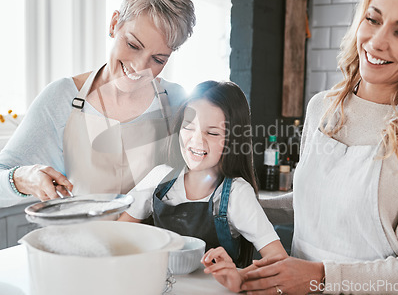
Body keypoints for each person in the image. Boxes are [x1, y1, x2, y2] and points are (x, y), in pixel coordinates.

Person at [203, 0, 398, 294]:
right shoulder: (322, 108)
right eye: (372, 19)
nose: (376, 42)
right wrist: (234, 201)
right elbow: (315, 202)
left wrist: (320, 277)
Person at [0, 0, 196, 206]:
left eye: (158, 59)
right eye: (133, 45)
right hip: (79, 240)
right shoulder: (61, 98)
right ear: (114, 24)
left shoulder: (175, 100)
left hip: (152, 242)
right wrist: (24, 178)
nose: (139, 68)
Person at [118, 81, 288, 272]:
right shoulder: (159, 178)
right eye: (189, 127)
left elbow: (280, 262)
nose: (197, 140)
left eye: (213, 132)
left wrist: (239, 275)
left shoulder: (236, 193)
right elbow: (118, 236)